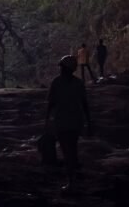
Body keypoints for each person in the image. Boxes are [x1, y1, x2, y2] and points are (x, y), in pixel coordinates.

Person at [45, 55, 92, 192]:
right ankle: (74, 179)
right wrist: (89, 121)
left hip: (62, 122)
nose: (60, 69)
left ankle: (72, 181)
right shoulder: (78, 83)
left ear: (65, 68)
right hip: (76, 122)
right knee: (72, 150)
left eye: (62, 67)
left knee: (67, 152)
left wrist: (47, 119)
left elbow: (51, 103)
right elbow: (84, 104)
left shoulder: (56, 82)